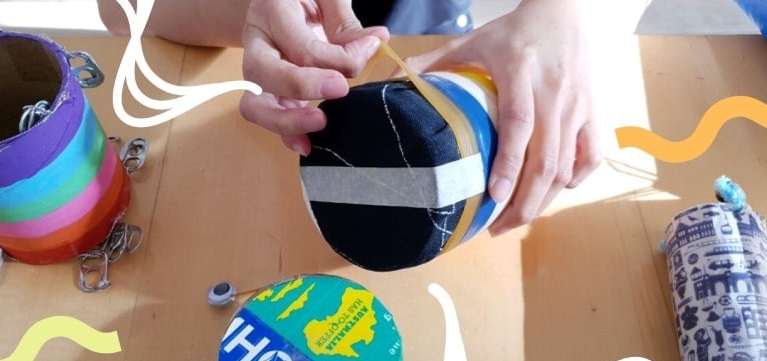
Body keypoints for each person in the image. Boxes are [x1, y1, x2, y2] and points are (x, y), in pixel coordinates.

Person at [97, 0, 650, 237]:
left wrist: (568, 14)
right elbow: (122, 8)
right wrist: (254, 12)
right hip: (287, 128)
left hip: (428, 45)